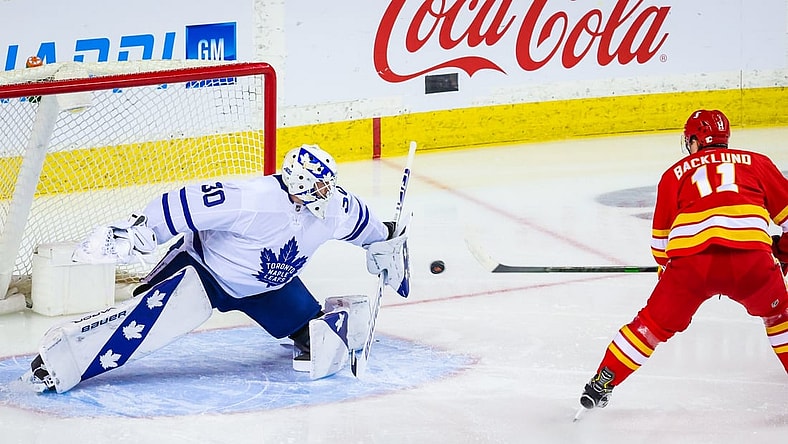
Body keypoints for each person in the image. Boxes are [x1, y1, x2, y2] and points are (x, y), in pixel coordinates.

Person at [22, 144, 410, 393]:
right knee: (140, 321)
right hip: (203, 274)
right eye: (318, 189)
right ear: (296, 184)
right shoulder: (252, 199)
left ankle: (304, 325)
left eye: (328, 187)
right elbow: (185, 202)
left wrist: (385, 240)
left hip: (269, 287)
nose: (327, 196)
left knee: (315, 334)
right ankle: (58, 362)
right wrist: (143, 230)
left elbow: (364, 224)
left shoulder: (334, 208)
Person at [579, 109, 788, 411]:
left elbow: (661, 244)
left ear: (694, 140)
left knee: (649, 326)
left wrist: (668, 274)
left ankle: (602, 383)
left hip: (692, 266)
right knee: (781, 316)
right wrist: (781, 252)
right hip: (751, 260)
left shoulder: (674, 173)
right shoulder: (757, 163)